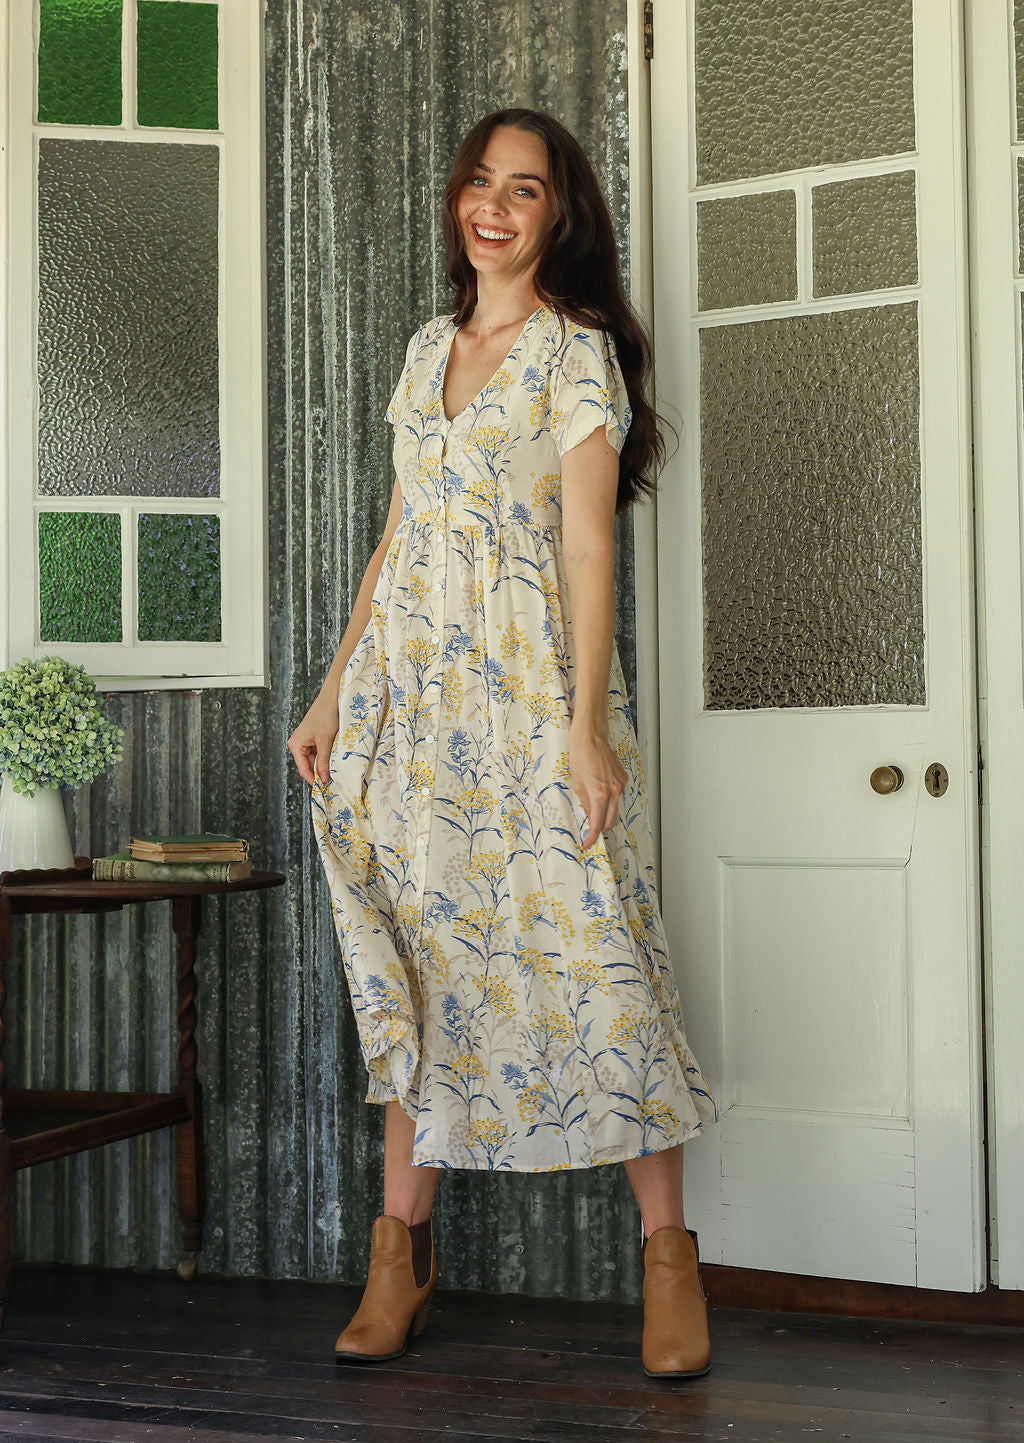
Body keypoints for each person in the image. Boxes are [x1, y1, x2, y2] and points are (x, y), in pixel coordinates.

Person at [287, 107, 718, 1379]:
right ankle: (398, 1257)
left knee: (599, 952)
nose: (495, 206)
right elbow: (397, 540)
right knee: (413, 965)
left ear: (557, 217)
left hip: (530, 699)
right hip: (409, 711)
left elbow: (589, 545)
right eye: (480, 182)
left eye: (523, 191)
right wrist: (328, 695)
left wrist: (585, 730)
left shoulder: (572, 352)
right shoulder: (428, 351)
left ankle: (668, 1262)